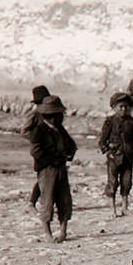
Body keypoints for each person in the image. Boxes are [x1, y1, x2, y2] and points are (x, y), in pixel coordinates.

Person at [30, 95, 77, 243]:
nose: (61, 118)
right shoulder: (38, 130)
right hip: (47, 170)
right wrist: (53, 159)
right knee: (47, 200)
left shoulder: (60, 129)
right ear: (50, 116)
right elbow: (36, 152)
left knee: (64, 199)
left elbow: (72, 145)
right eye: (58, 115)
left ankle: (63, 231)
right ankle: (48, 234)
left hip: (61, 168)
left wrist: (69, 155)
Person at [98, 91, 133, 217]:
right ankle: (113, 209)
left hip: (128, 157)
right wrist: (108, 152)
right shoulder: (110, 122)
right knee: (112, 182)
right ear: (114, 108)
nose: (123, 109)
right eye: (120, 107)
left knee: (127, 182)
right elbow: (102, 141)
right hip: (114, 158)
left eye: (126, 107)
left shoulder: (131, 121)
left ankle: (125, 208)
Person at [21, 85, 51, 210]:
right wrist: (37, 140)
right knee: (43, 175)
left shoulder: (49, 113)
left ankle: (44, 202)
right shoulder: (34, 114)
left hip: (50, 148)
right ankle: (32, 202)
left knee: (49, 175)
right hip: (39, 150)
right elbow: (24, 132)